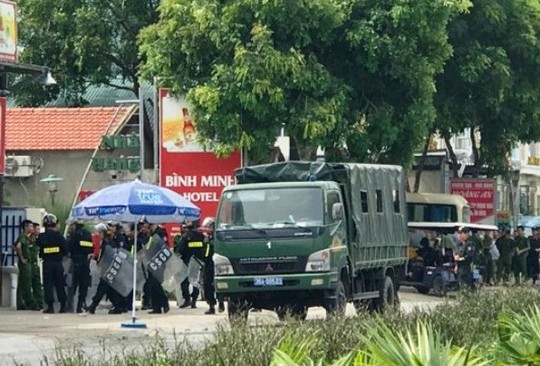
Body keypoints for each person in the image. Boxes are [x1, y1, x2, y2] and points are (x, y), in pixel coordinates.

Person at [85, 223, 126, 314]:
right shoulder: (108, 243)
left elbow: (106, 256)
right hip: (109, 270)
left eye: (99, 233)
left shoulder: (108, 244)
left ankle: (93, 307)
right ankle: (118, 306)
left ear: (103, 233)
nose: (98, 235)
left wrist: (97, 260)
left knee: (101, 289)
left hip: (108, 270)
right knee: (110, 291)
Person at [37, 213, 68, 313]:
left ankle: (50, 307)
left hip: (47, 264)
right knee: (60, 284)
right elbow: (65, 251)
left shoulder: (41, 237)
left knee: (48, 285)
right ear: (54, 223)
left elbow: (38, 248)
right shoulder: (59, 237)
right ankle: (63, 306)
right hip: (58, 264)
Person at [174, 220, 205, 309]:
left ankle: (187, 299)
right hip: (197, 262)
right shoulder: (201, 236)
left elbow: (179, 249)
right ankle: (194, 301)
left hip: (186, 262)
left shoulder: (185, 236)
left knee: (184, 282)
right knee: (195, 281)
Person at [66, 218, 94, 313]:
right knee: (83, 286)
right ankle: (79, 306)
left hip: (75, 263)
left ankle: (69, 306)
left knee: (72, 285)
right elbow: (91, 249)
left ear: (75, 225)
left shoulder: (75, 235)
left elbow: (69, 248)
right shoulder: (88, 234)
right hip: (85, 263)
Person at [141, 223, 170, 314]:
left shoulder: (160, 233)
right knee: (151, 285)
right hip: (151, 262)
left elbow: (163, 247)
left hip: (159, 262)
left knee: (156, 283)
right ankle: (156, 306)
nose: (144, 229)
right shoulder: (150, 235)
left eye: (146, 227)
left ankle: (165, 303)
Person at [200, 217, 224, 315]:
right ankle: (211, 305)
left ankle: (221, 302)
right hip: (207, 264)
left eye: (208, 227)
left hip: (216, 264)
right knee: (207, 284)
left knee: (218, 284)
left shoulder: (218, 238)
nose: (206, 229)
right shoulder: (206, 238)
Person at [13, 219, 39, 310]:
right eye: (30, 226)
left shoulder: (26, 237)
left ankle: (20, 303)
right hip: (25, 263)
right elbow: (18, 246)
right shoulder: (22, 236)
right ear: (26, 227)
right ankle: (32, 304)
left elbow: (14, 246)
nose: (32, 228)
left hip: (28, 263)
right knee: (26, 284)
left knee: (22, 283)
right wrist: (22, 258)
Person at [29, 222, 43, 309]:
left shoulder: (38, 241)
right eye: (37, 229)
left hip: (35, 265)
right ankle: (31, 303)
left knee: (37, 286)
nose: (39, 231)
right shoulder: (28, 240)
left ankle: (39, 303)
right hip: (29, 265)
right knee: (28, 286)